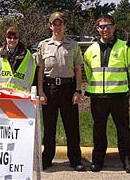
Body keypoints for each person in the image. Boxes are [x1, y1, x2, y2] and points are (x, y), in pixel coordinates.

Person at [83, 14, 130, 173]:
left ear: (114, 27)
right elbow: (88, 72)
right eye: (101, 26)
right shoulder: (90, 50)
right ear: (97, 29)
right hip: (98, 97)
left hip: (119, 96)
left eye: (108, 26)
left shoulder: (126, 48)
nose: (105, 29)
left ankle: (128, 161)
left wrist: (129, 87)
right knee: (99, 129)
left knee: (123, 129)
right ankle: (97, 160)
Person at [36, 12, 85, 171]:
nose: (57, 27)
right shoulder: (43, 45)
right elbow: (40, 71)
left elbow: (78, 69)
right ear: (50, 26)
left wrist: (78, 90)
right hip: (50, 89)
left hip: (68, 88)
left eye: (60, 24)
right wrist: (41, 92)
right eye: (54, 24)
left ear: (64, 26)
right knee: (49, 127)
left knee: (71, 126)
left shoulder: (73, 45)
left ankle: (75, 159)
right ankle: (47, 158)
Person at [0, 26, 36, 92]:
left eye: (15, 38)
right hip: (0, 96)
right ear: (6, 38)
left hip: (22, 97)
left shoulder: (28, 56)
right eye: (9, 37)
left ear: (18, 39)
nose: (12, 40)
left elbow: (34, 78)